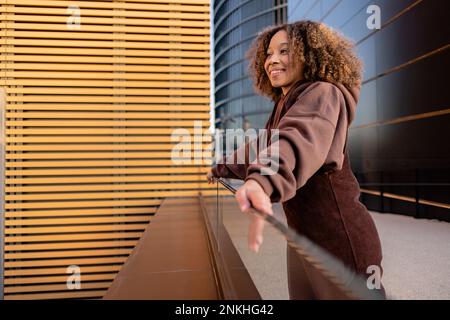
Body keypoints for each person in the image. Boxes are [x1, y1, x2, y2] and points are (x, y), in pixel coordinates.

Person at [207, 20, 385, 299]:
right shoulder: (286, 103)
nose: (272, 60)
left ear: (310, 54)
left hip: (338, 243)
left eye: (285, 51)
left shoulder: (323, 95)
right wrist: (221, 167)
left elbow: (296, 141)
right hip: (304, 240)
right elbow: (264, 146)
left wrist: (261, 181)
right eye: (268, 54)